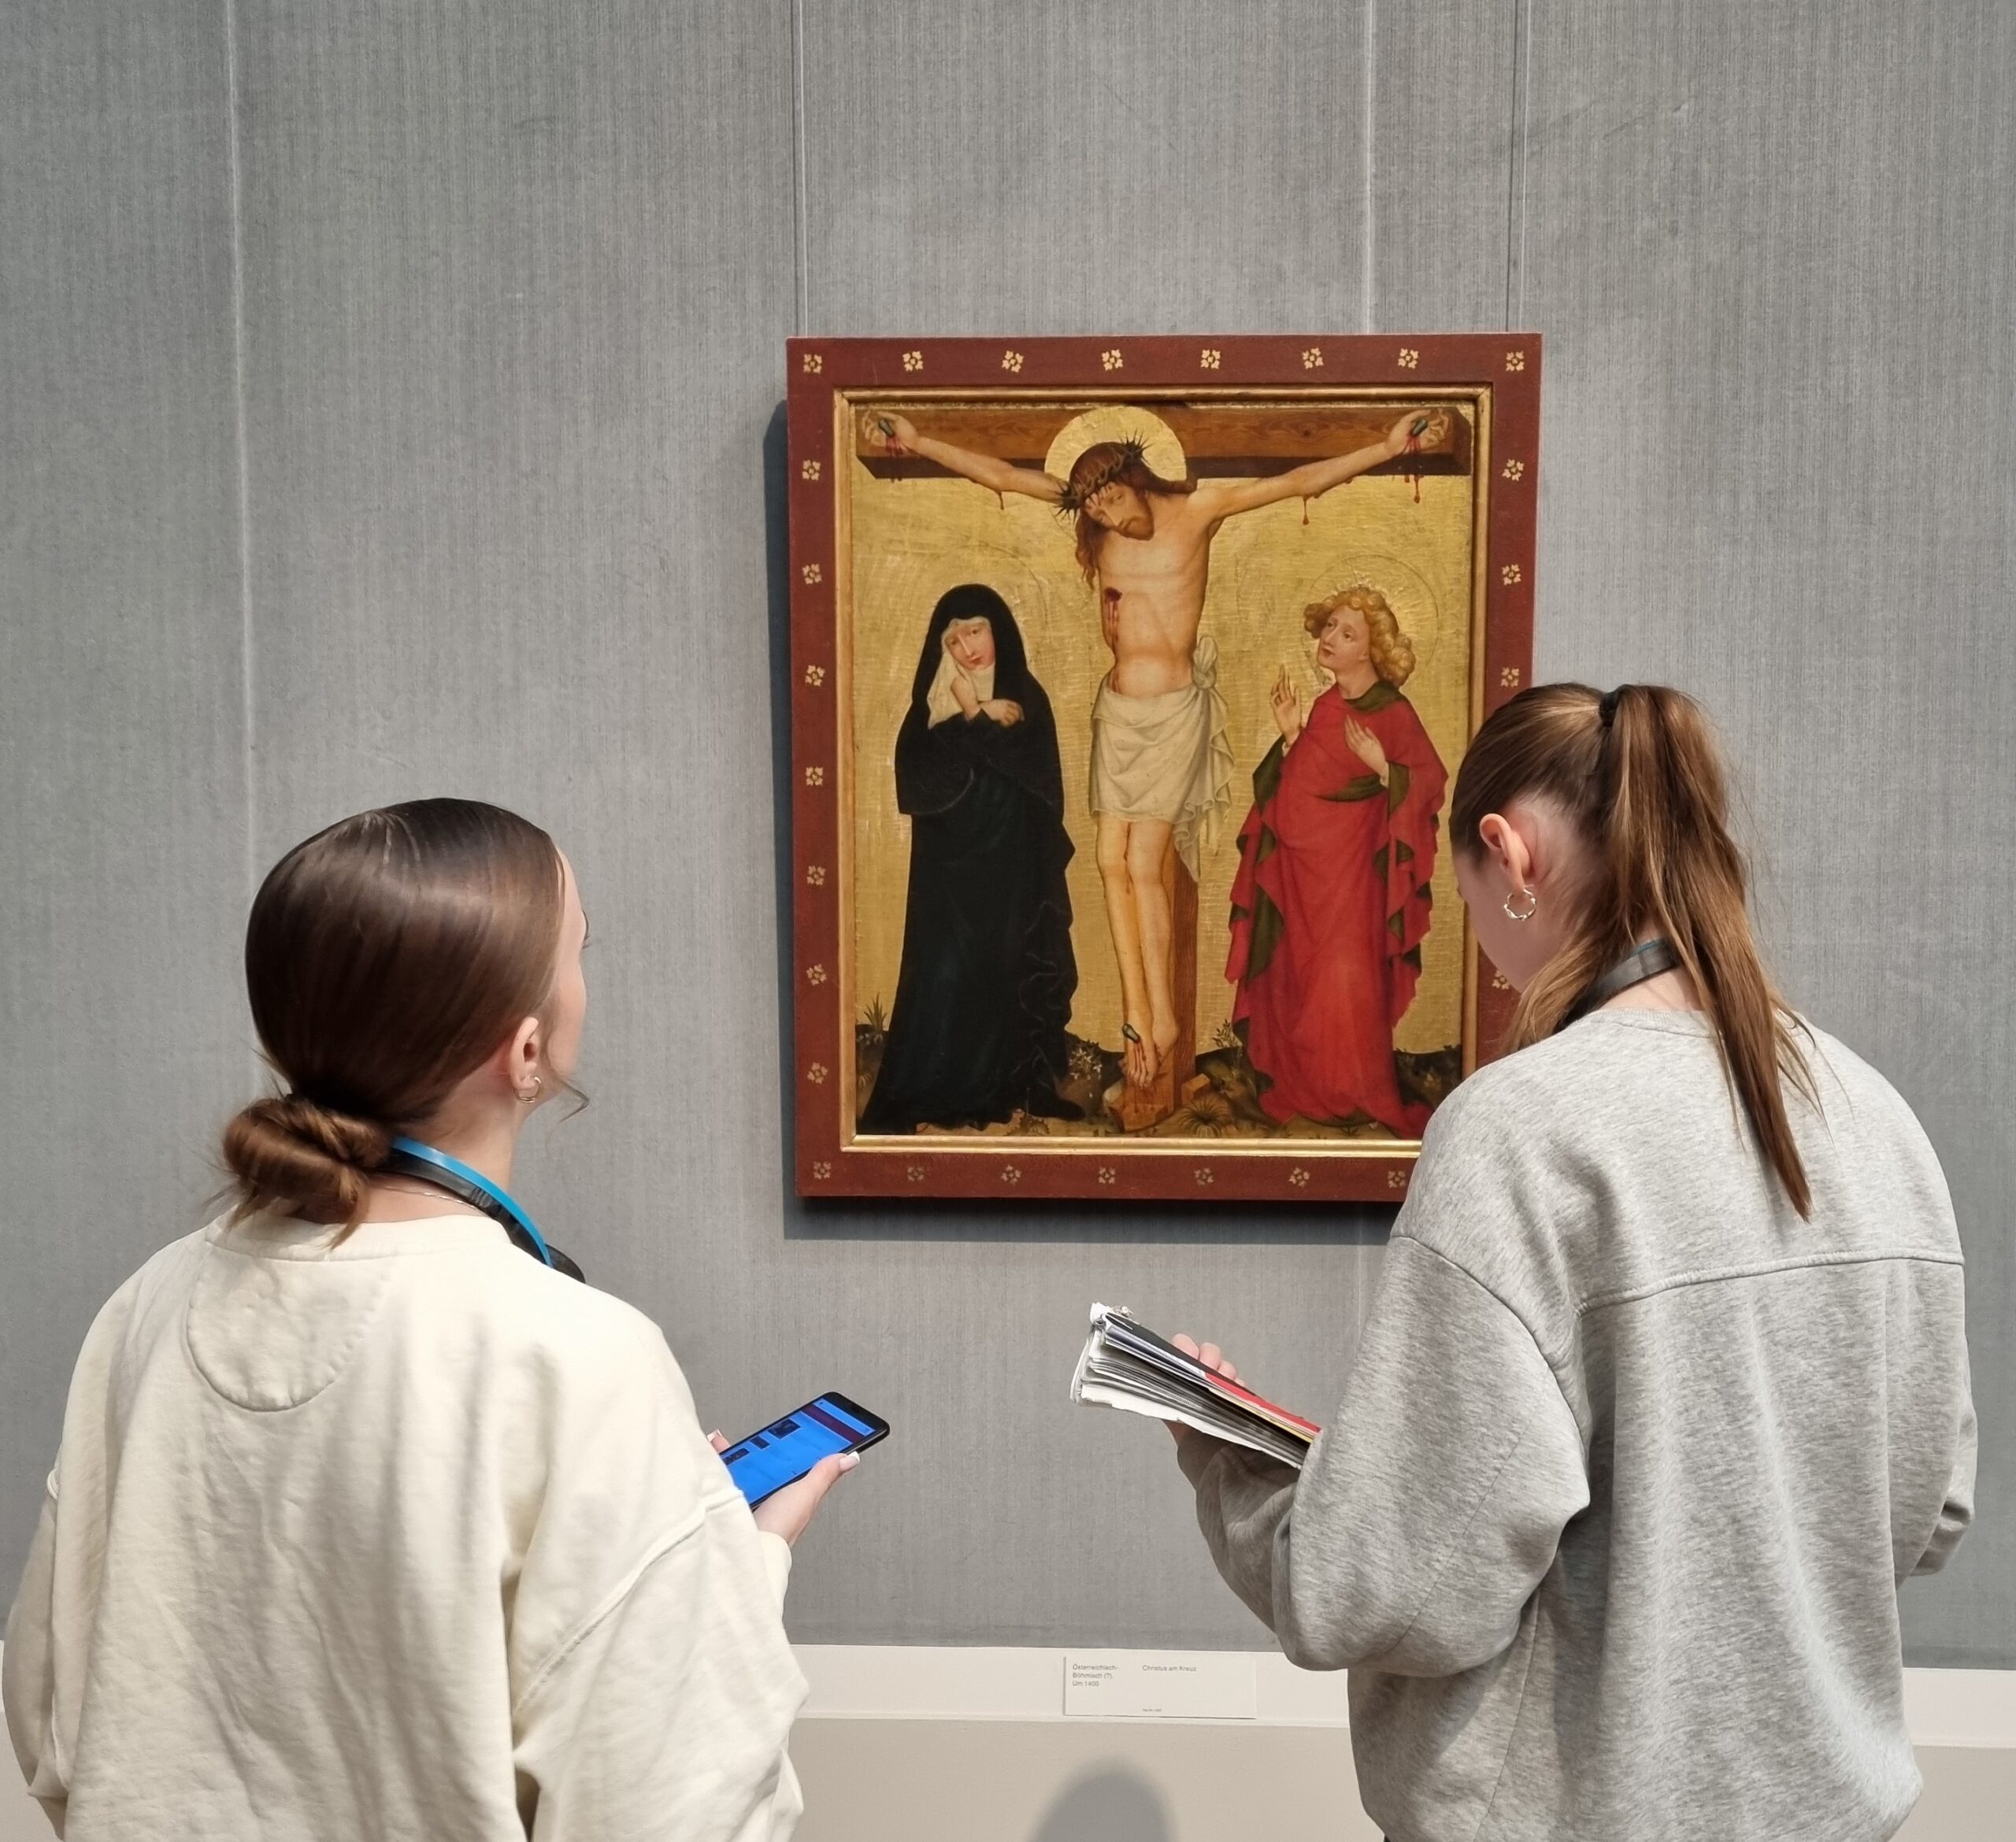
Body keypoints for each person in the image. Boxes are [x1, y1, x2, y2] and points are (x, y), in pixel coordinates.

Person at [1169, 685, 1975, 1842]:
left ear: (1511, 855)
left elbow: (1389, 1587)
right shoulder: (1870, 1113)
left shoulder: (1519, 1130)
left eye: (1467, 904)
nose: (1489, 957)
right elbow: (1929, 1509)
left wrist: (1225, 1461)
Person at [4, 799, 848, 1840]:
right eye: (580, 950)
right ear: (527, 1048)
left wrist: (693, 1544)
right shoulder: (579, 1355)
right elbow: (670, 1802)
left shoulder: (148, 1304)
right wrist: (724, 1564)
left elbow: (53, 1709)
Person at [865, 406, 1443, 1094]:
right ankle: (1136, 1017)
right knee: (1109, 860)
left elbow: (1297, 481)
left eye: (1113, 499)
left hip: (1172, 713)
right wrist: (919, 441)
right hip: (1117, 709)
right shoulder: (1096, 523)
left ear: (1135, 477)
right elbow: (1003, 476)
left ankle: (1163, 1019)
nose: (1109, 517)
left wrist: (1385, 447)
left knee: (1144, 863)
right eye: (1094, 511)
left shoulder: (1198, 510)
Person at [1225, 584, 1447, 1137]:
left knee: (1344, 978)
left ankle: (1353, 1093)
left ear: (1370, 650)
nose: (1330, 638)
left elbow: (1429, 781)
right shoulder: (1326, 707)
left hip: (1355, 878)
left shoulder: (1392, 712)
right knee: (1298, 978)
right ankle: (1303, 1086)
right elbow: (1301, 785)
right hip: (1301, 878)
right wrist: (1291, 735)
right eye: (1330, 626)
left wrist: (1384, 769)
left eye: (1347, 633)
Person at [861, 584, 1080, 1133]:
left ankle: (1012, 1086)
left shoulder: (1026, 695)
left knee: (1008, 967)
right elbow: (919, 773)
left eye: (976, 631)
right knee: (947, 973)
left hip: (1011, 868)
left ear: (998, 628)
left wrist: (974, 720)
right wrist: (975, 715)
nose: (968, 648)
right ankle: (942, 1089)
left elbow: (1035, 777)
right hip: (950, 878)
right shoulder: (934, 702)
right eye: (954, 639)